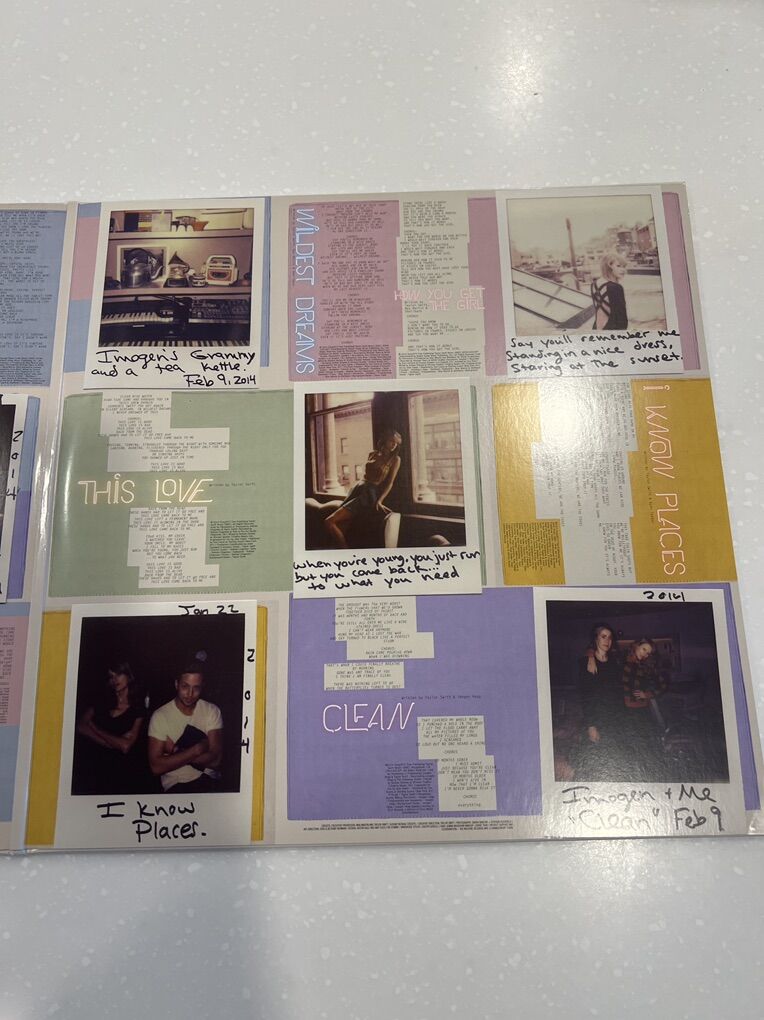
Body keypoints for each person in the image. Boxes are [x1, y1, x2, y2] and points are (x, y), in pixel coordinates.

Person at [147, 659, 223, 793]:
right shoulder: (160, 716)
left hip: (209, 782)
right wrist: (197, 750)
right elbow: (156, 767)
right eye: (185, 686)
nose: (190, 694)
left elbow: (215, 761)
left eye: (196, 688)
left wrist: (176, 750)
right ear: (176, 684)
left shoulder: (211, 710)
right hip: (177, 785)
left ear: (202, 687)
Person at [74, 661, 147, 795]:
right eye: (111, 676)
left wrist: (94, 727)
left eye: (118, 674)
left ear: (129, 675)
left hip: (121, 771)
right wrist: (111, 742)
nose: (114, 679)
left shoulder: (138, 708)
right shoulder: (102, 700)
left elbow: (125, 746)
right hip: (94, 764)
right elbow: (80, 726)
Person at [324, 428, 402, 549]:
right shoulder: (373, 454)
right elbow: (365, 475)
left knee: (329, 521)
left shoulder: (395, 460)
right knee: (342, 526)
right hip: (358, 488)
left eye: (396, 443)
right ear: (385, 439)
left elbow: (390, 483)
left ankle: (345, 553)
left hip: (368, 494)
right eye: (392, 441)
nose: (394, 445)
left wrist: (380, 500)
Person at [575, 623, 629, 781]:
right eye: (603, 636)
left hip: (616, 719)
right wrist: (591, 725)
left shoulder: (614, 661)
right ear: (595, 639)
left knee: (617, 762)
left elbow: (618, 692)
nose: (607, 640)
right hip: (597, 718)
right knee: (596, 763)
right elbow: (586, 696)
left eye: (610, 637)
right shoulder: (585, 662)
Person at [590, 251, 628, 330]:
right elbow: (622, 320)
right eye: (618, 266)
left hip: (596, 329)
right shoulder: (616, 287)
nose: (623, 270)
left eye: (624, 266)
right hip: (611, 330)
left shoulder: (594, 284)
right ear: (608, 267)